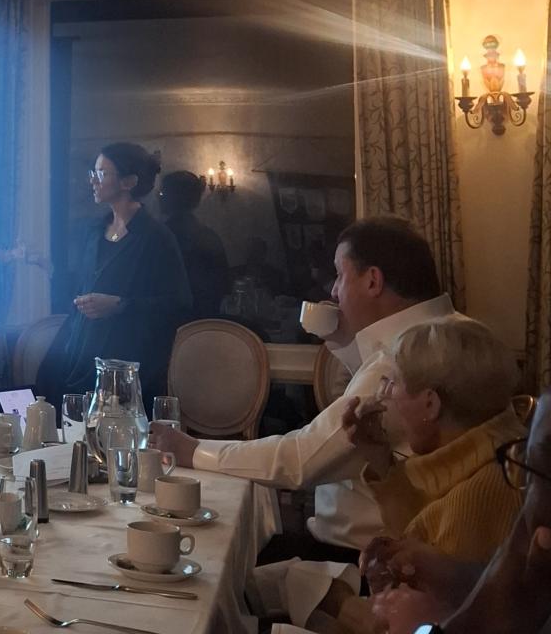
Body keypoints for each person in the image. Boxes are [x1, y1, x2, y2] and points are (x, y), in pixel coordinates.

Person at [151, 215, 453, 557]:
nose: (333, 290)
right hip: (393, 543)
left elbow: (300, 460)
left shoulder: (400, 360)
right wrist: (343, 342)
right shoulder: (445, 334)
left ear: (372, 281)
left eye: (340, 275)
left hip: (359, 555)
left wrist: (193, 450)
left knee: (209, 556)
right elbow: (374, 402)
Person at [362, 391, 551, 634]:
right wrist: (454, 575)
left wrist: (429, 626)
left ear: (431, 402)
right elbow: (501, 589)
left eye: (534, 473)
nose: (384, 394)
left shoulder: (484, 489)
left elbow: (502, 612)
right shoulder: (527, 517)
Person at [343, 317, 524, 563]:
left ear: (430, 404)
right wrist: (381, 460)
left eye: (393, 383)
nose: (386, 395)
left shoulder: (479, 496)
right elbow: (420, 530)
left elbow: (425, 581)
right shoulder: (493, 452)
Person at [36, 142, 192, 405]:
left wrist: (120, 305)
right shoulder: (94, 231)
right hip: (81, 352)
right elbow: (82, 287)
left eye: (101, 173)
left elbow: (179, 303)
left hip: (125, 362)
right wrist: (48, 268)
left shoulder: (156, 237)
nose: (93, 181)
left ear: (128, 182)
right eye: (93, 173)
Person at [158, 170, 230, 318]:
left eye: (162, 193)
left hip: (169, 319)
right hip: (205, 320)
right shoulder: (209, 235)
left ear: (171, 197)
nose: (159, 198)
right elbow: (224, 285)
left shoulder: (159, 236)